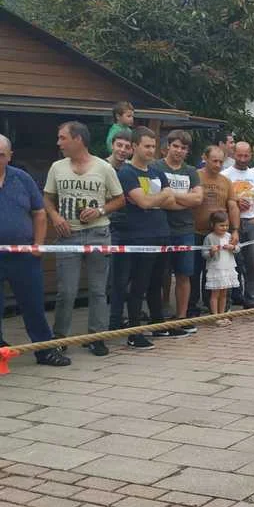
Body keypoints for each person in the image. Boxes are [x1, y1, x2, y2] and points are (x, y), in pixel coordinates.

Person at [43, 121, 125, 352]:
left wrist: (100, 211)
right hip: (68, 234)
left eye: (63, 138)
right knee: (66, 291)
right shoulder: (57, 167)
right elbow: (47, 197)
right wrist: (55, 217)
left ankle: (97, 336)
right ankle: (60, 338)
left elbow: (120, 199)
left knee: (98, 290)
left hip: (98, 233)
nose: (59, 143)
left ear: (78, 139)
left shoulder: (103, 168)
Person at [0, 134, 70, 366]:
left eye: (1, 155)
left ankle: (44, 350)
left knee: (33, 305)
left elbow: (39, 213)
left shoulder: (22, 178)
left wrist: (38, 244)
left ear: (10, 156)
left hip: (24, 256)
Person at [115, 127, 178, 350]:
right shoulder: (127, 173)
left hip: (161, 233)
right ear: (134, 146)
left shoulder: (156, 172)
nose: (151, 150)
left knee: (157, 283)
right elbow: (144, 202)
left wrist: (153, 199)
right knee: (139, 284)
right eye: (147, 146)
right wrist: (159, 197)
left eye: (153, 146)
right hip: (139, 236)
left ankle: (158, 324)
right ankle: (134, 332)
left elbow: (170, 201)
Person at [153, 130, 202, 335]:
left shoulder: (190, 171)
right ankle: (159, 315)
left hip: (185, 229)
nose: (179, 151)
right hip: (160, 228)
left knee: (184, 274)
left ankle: (181, 317)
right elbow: (157, 198)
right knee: (159, 274)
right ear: (168, 146)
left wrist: (171, 195)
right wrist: (184, 200)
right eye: (176, 146)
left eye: (183, 148)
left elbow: (197, 199)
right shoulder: (156, 167)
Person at [189, 146, 240, 315]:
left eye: (221, 161)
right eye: (214, 161)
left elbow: (232, 206)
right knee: (193, 272)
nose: (218, 165)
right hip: (196, 232)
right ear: (205, 158)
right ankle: (192, 307)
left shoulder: (226, 181)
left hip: (220, 235)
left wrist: (235, 230)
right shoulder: (195, 175)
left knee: (218, 270)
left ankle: (217, 308)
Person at [221, 141, 254, 307]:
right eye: (239, 155)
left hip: (251, 221)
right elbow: (222, 201)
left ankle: (252, 296)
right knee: (233, 261)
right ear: (233, 154)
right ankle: (234, 295)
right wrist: (234, 203)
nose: (243, 159)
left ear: (251, 155)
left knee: (252, 262)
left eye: (246, 155)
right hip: (231, 222)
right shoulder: (225, 175)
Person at [202, 211, 239, 327]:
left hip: (228, 267)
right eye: (221, 225)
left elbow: (238, 248)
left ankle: (222, 315)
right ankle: (215, 316)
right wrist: (211, 252)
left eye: (226, 225)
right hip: (216, 269)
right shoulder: (209, 237)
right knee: (215, 294)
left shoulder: (229, 236)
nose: (224, 228)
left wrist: (233, 247)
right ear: (213, 225)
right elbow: (204, 254)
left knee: (224, 294)